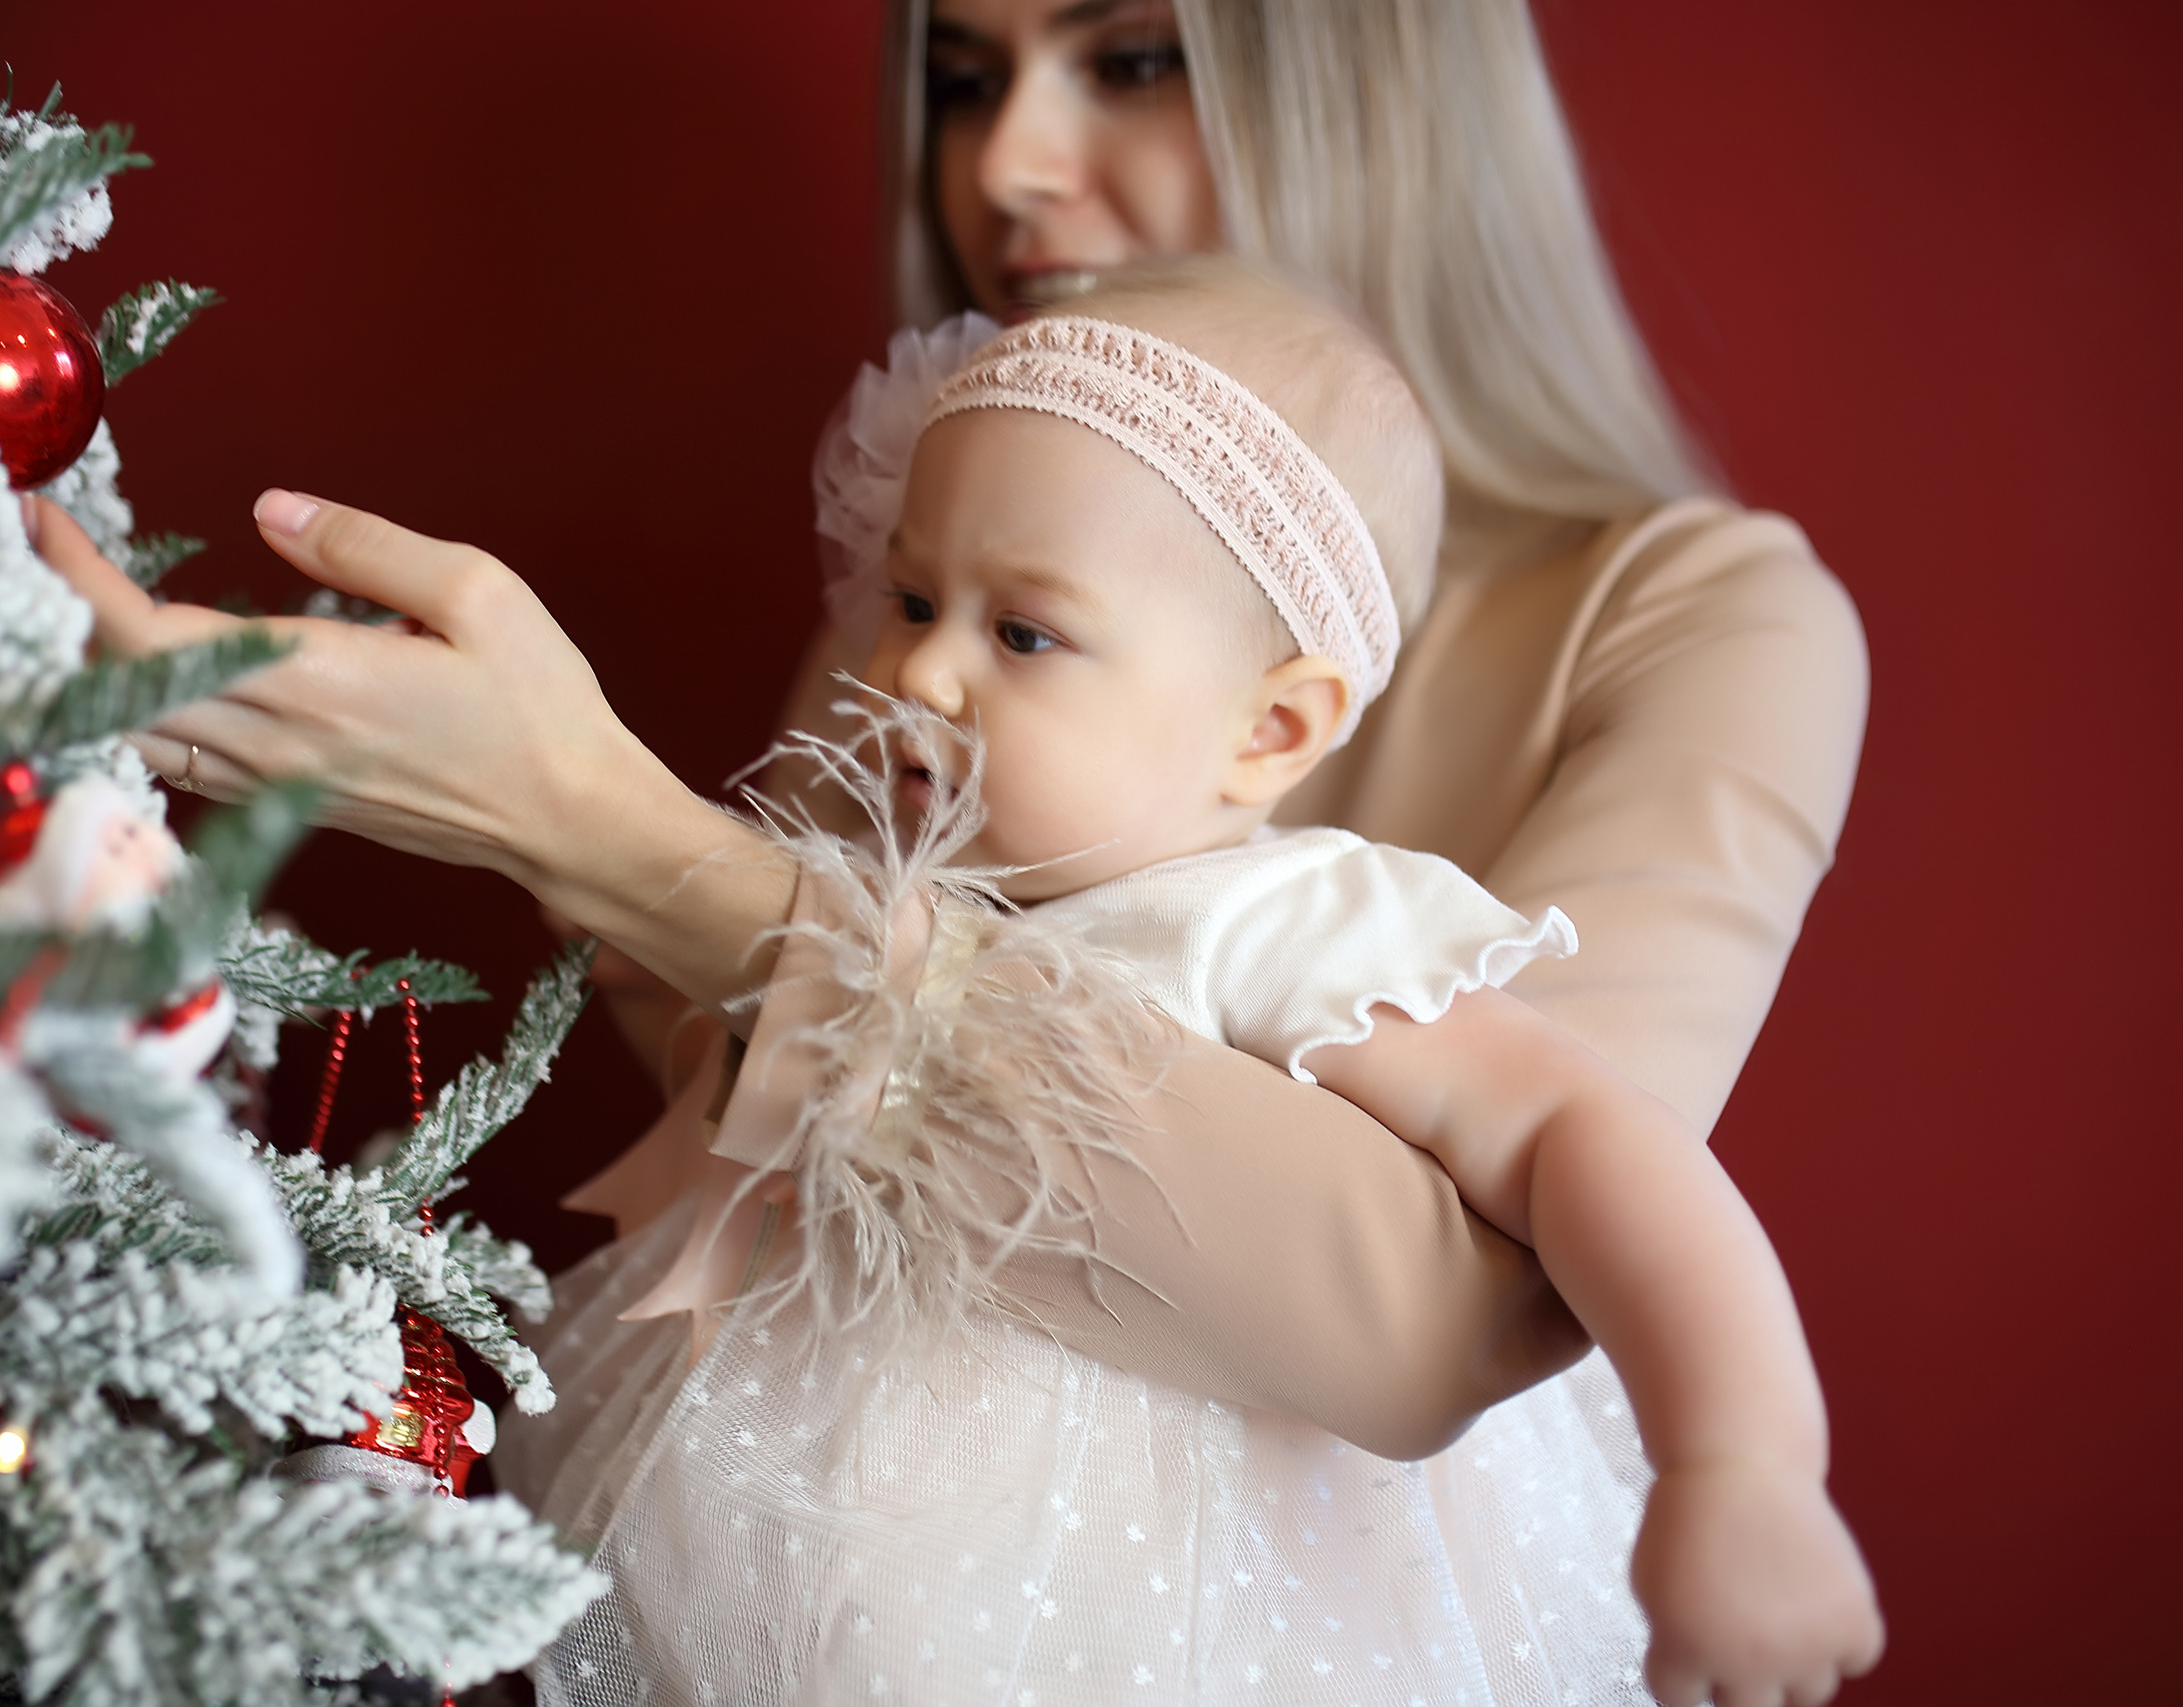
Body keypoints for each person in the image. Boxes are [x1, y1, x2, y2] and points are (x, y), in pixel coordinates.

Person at [31, 0, 1864, 1576]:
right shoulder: (957, 583)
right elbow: (726, 1057)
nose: (1003, 170)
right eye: (968, 76)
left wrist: (605, 833)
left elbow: (1434, 1321)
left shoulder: (1692, 619)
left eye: (1132, 56)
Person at [484, 263, 1879, 1706]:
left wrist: (1742, 1458)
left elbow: (1576, 1134)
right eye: (909, 598)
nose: (921, 674)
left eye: (1022, 633)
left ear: (1270, 730)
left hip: (1178, 1615)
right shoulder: (894, 885)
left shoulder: (1270, 918)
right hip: (822, 1559)